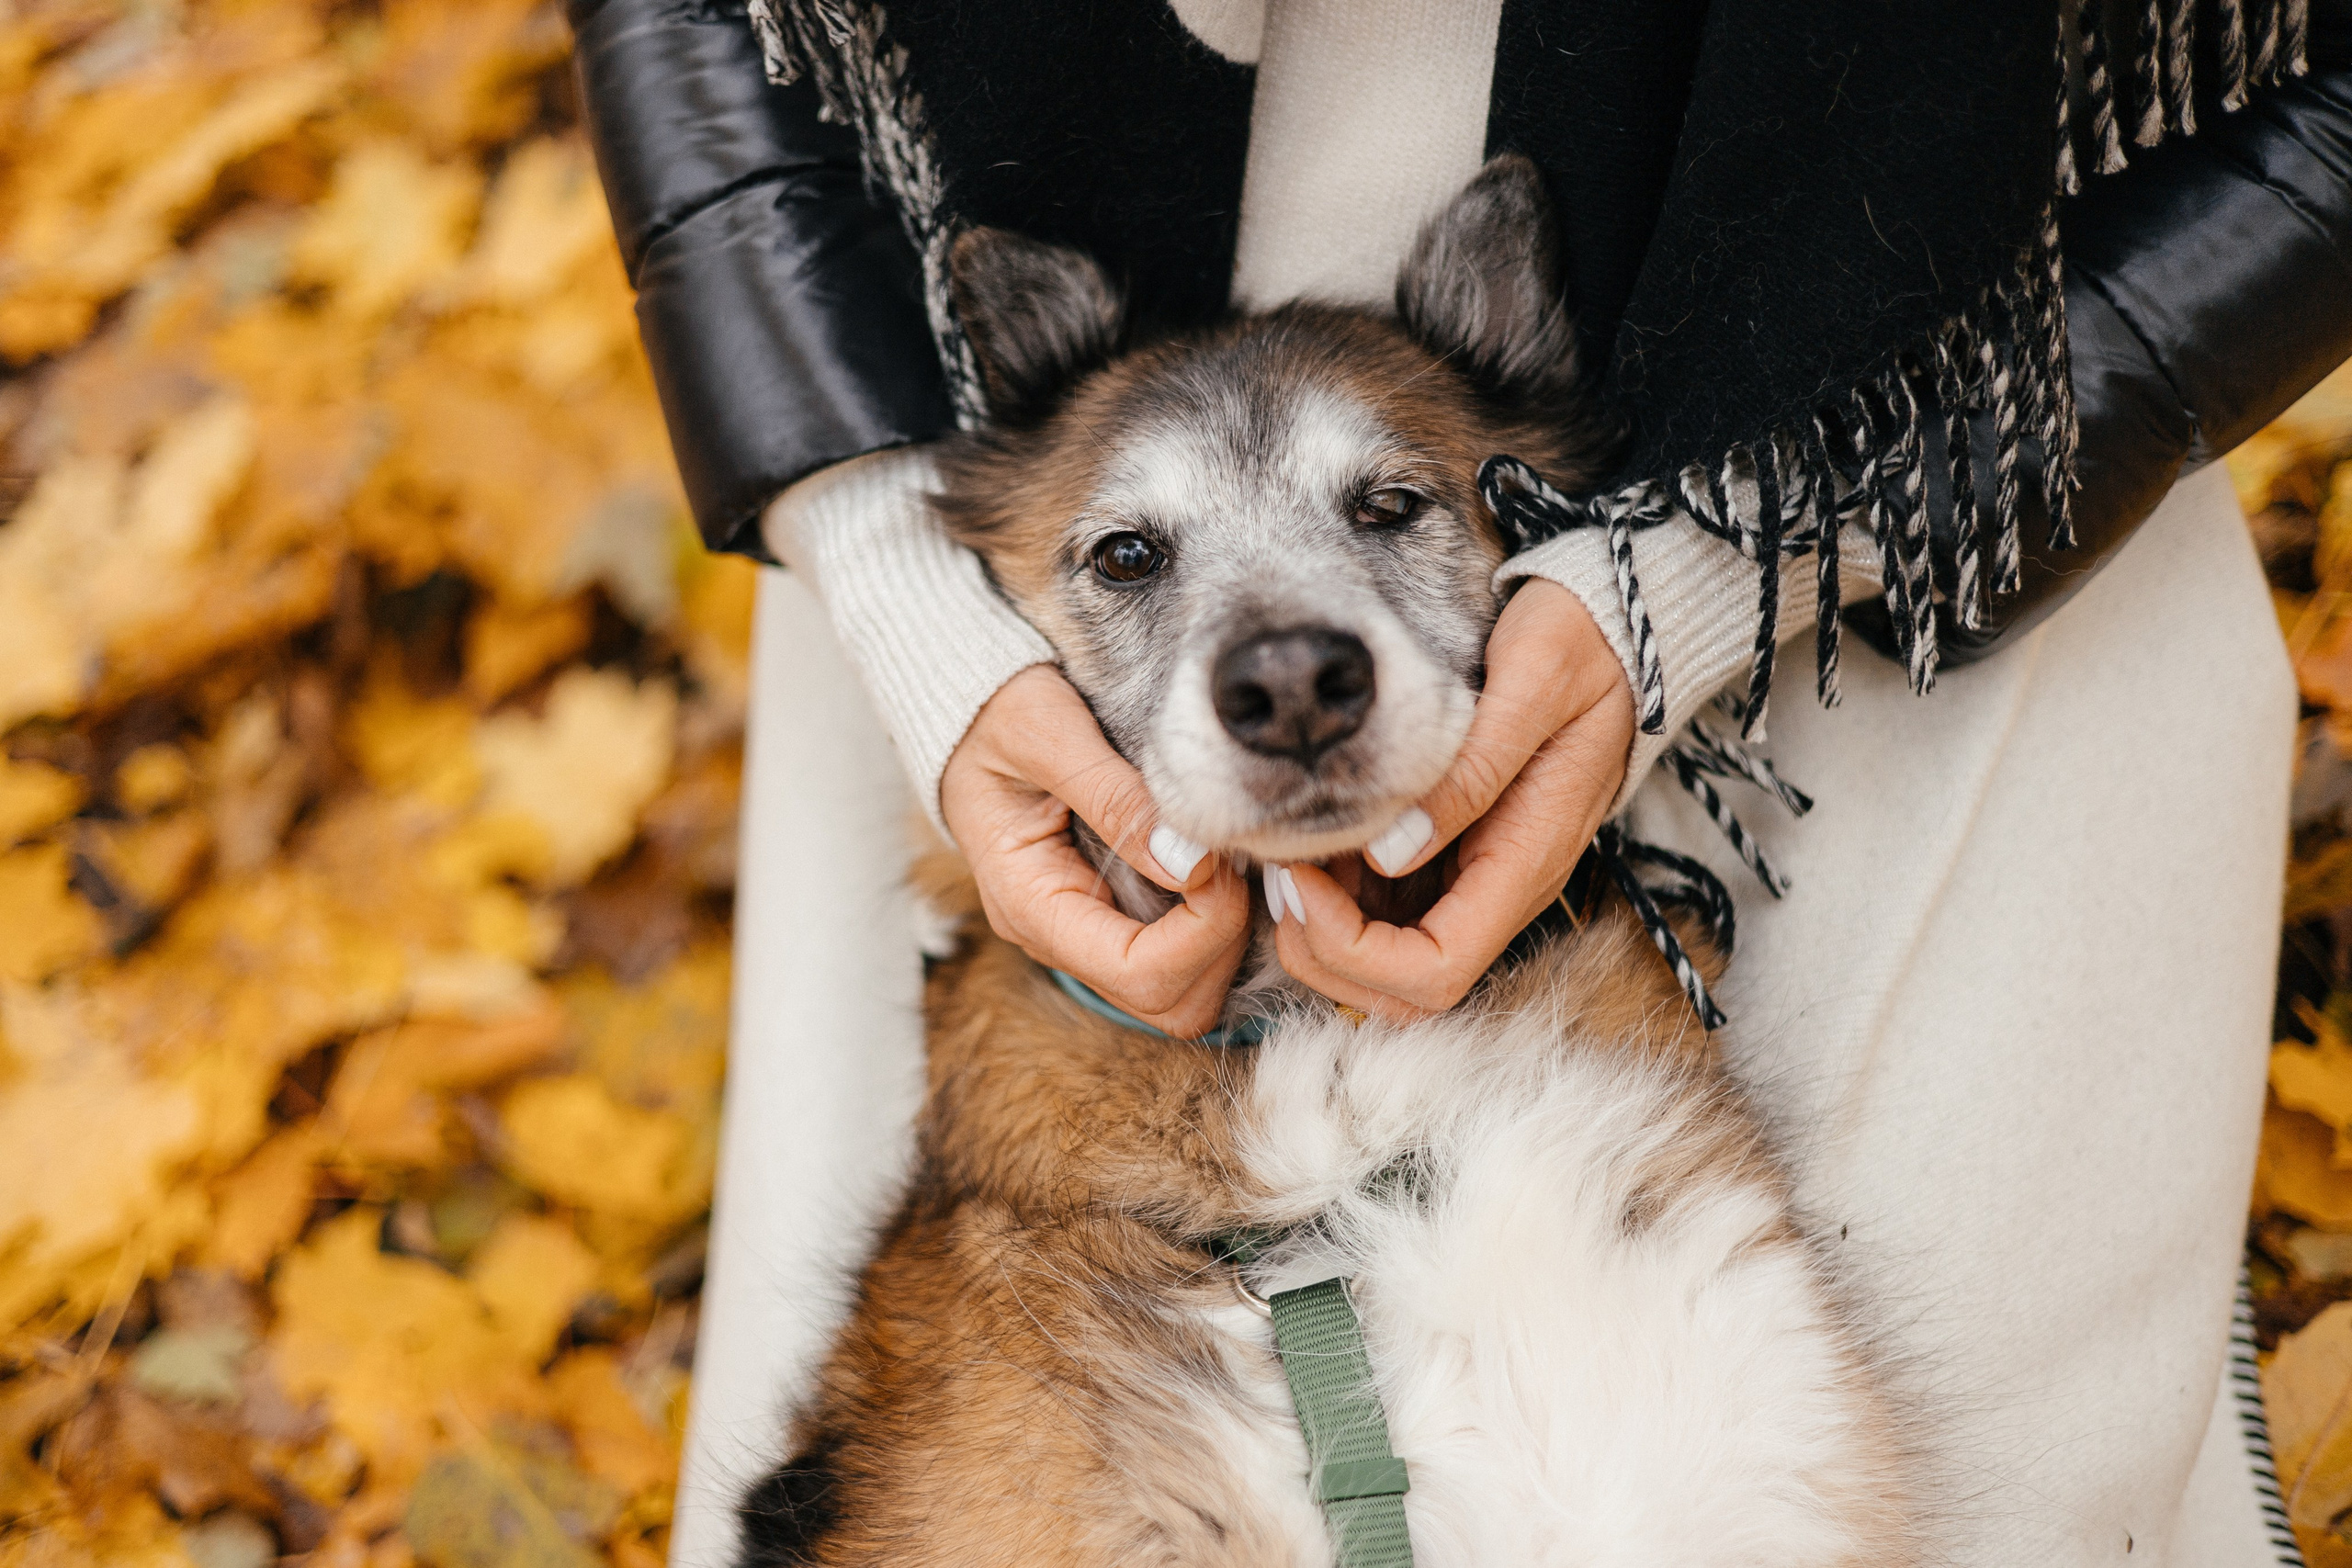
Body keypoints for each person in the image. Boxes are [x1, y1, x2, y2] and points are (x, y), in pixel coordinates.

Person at [569, 2, 2352, 1562]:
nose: (1282, 661)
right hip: (945, 469)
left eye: (1374, 514)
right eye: (1136, 562)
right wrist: (898, 583)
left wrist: (1720, 560)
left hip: (1930, 508)